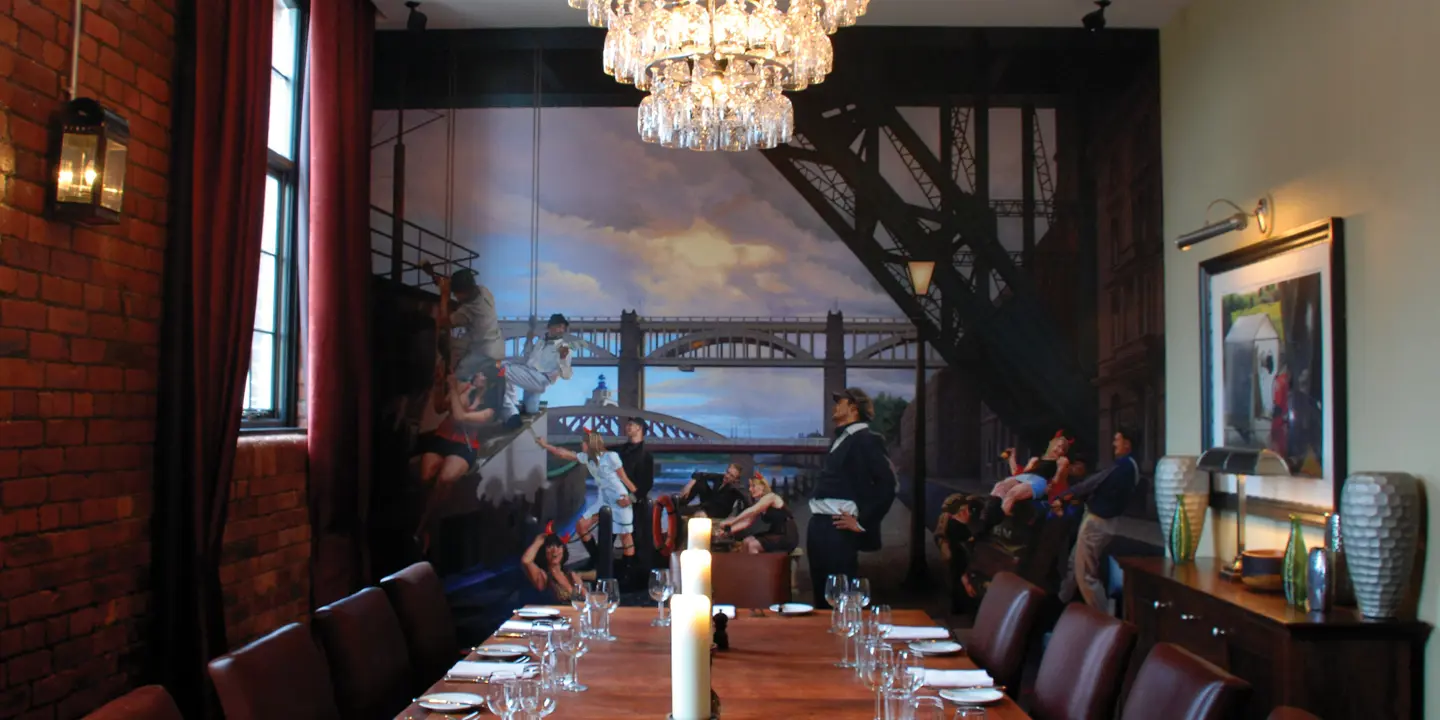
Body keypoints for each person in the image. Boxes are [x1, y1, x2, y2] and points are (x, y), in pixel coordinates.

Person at [807, 387, 897, 608]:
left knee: (839, 595)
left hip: (838, 528)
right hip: (819, 526)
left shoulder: (866, 439)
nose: (835, 405)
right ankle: (822, 640)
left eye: (840, 401)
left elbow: (888, 484)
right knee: (822, 594)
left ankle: (840, 640)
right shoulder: (842, 439)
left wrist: (861, 522)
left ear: (854, 408)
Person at [411, 356, 500, 555]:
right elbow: (440, 407)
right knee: (426, 477)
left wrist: (451, 388)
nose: (478, 376)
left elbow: (460, 417)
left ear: (491, 382)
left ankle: (422, 529)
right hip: (442, 438)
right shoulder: (463, 387)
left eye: (483, 375)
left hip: (464, 446)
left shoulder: (489, 411)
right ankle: (427, 529)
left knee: (445, 478)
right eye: (478, 372)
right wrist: (438, 384)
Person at [1056, 427, 1140, 611]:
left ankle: (1104, 619)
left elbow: (1093, 482)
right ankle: (1061, 601)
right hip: (1101, 520)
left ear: (1127, 443)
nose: (1114, 444)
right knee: (1074, 565)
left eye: (1117, 440)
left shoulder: (1123, 466)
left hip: (1098, 522)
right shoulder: (1129, 466)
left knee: (1084, 573)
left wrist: (1066, 495)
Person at [536, 430, 639, 561]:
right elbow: (563, 454)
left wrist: (633, 497)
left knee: (625, 536)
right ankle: (597, 559)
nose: (581, 446)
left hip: (619, 497)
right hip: (604, 498)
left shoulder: (611, 456)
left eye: (583, 444)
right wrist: (545, 445)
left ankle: (628, 568)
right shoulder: (587, 458)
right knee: (581, 525)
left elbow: (624, 478)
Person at [424, 264, 504, 374]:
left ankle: (450, 378)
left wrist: (444, 295)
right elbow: (463, 303)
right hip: (498, 348)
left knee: (450, 348)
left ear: (464, 292)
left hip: (482, 352)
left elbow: (443, 322)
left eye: (456, 293)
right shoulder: (484, 291)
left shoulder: (467, 311)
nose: (455, 296)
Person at [502, 313, 574, 425]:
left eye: (563, 327)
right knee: (530, 410)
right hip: (529, 377)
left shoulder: (564, 348)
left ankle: (512, 411)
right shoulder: (541, 341)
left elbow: (566, 375)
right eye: (559, 326)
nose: (561, 330)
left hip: (540, 379)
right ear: (550, 326)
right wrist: (529, 341)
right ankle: (514, 404)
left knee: (503, 369)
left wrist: (563, 360)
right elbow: (528, 358)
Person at [986, 431, 1073, 518]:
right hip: (1025, 477)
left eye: (1063, 449)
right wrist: (1012, 457)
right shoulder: (1035, 459)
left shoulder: (1061, 461)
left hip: (1039, 481)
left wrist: (1051, 486)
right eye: (1058, 446)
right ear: (1052, 445)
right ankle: (989, 511)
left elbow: (1057, 480)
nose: (1060, 450)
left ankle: (1001, 517)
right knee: (1000, 485)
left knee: (1013, 493)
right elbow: (1018, 473)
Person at [718, 472, 799, 554]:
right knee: (746, 541)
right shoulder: (760, 502)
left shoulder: (771, 497)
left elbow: (752, 510)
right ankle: (745, 566)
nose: (750, 489)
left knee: (753, 545)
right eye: (750, 486)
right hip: (775, 532)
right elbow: (747, 522)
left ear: (762, 487)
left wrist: (732, 522)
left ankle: (756, 566)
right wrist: (728, 531)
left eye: (753, 486)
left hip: (787, 535)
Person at [615, 417, 656, 569]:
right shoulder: (620, 451)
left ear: (640, 428)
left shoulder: (646, 455)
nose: (627, 427)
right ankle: (601, 565)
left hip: (635, 505)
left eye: (631, 425)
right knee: (609, 535)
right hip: (616, 501)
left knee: (636, 539)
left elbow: (647, 484)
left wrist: (631, 498)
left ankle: (633, 571)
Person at [935, 493, 984, 615]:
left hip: (954, 560)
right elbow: (968, 541)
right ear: (961, 512)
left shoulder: (949, 524)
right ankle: (962, 610)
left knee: (956, 584)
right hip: (960, 560)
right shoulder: (958, 527)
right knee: (962, 585)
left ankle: (957, 609)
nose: (970, 514)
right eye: (968, 510)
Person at [521, 527, 582, 604]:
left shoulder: (571, 575)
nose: (555, 550)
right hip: (552, 615)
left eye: (559, 546)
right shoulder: (543, 576)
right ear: (543, 551)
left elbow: (588, 600)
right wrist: (538, 542)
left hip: (575, 615)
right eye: (550, 547)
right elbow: (526, 561)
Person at [677, 463, 749, 521]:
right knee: (699, 481)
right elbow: (699, 474)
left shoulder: (735, 489)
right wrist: (689, 486)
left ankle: (694, 510)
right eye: (727, 472)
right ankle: (680, 503)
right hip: (708, 503)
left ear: (736, 480)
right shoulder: (721, 477)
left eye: (731, 476)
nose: (727, 476)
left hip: (717, 511)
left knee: (682, 511)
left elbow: (746, 501)